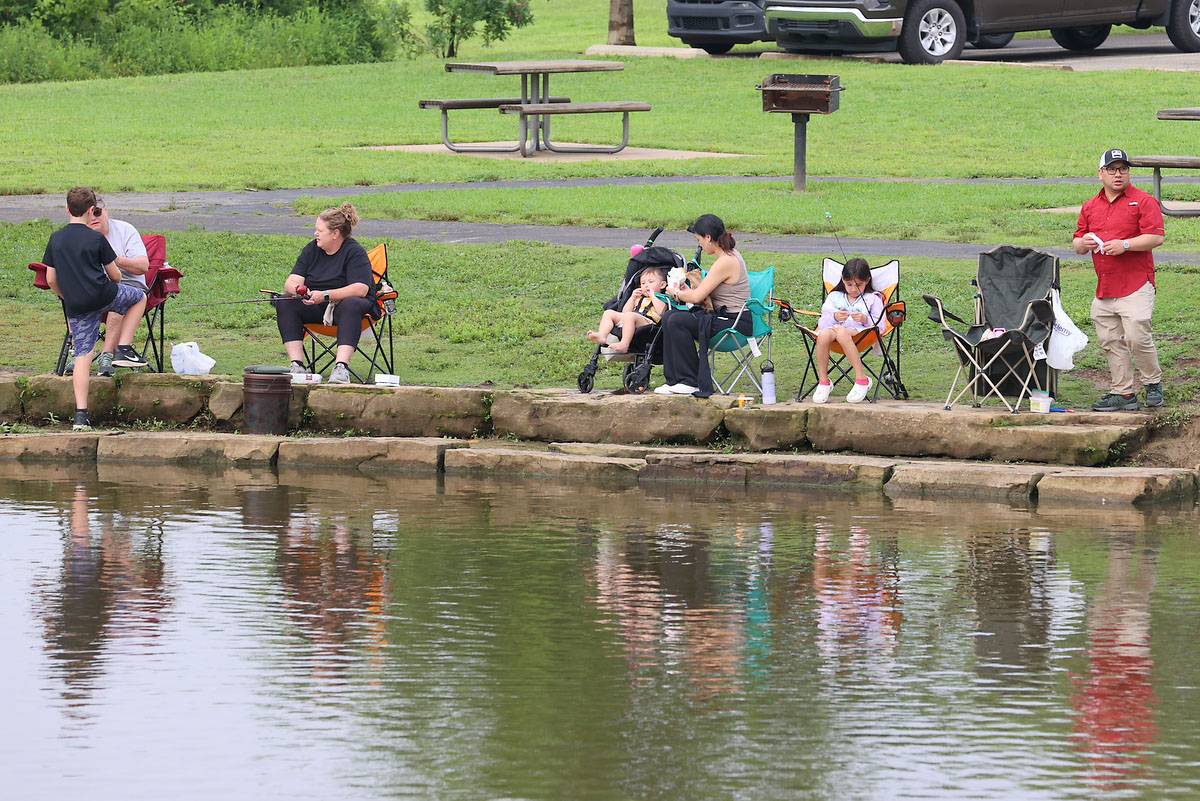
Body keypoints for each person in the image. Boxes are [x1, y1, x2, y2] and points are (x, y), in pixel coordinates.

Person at [42, 186, 148, 430]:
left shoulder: (55, 239)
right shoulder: (97, 238)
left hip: (75, 304)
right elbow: (115, 276)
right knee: (138, 297)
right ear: (91, 211)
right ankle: (123, 348)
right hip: (103, 295)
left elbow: (50, 279)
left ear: (67, 209)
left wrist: (66, 296)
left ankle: (81, 415)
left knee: (82, 356)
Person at [1072, 148, 1166, 411]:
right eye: (1112, 169)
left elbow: (1156, 237)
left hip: (1136, 283)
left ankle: (1153, 383)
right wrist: (1084, 242)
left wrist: (1125, 244)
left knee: (1137, 336)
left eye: (1123, 169)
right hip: (1105, 287)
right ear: (1100, 173)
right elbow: (1078, 244)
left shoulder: (1144, 201)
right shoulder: (1090, 206)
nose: (1118, 174)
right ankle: (1122, 393)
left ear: (1128, 173)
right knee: (1111, 341)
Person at [276, 203, 377, 384]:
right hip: (317, 306)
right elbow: (290, 282)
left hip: (347, 310)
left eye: (319, 230)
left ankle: (341, 368)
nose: (315, 234)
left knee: (351, 303)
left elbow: (361, 289)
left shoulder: (355, 252)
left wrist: (325, 294)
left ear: (335, 234)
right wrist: (301, 291)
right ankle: (297, 365)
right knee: (285, 301)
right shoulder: (312, 249)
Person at [654, 214, 752, 396]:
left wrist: (675, 292)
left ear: (708, 237)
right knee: (668, 317)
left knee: (676, 321)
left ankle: (690, 381)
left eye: (699, 239)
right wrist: (685, 290)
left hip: (735, 322)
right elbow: (702, 294)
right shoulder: (726, 256)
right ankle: (674, 379)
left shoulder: (726, 261)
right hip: (723, 317)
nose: (699, 244)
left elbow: (697, 296)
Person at [71, 195, 149, 376]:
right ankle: (76, 352)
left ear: (106, 210)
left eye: (98, 212)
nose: (94, 217)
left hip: (127, 284)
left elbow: (143, 267)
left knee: (117, 297)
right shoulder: (79, 236)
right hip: (93, 287)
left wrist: (113, 258)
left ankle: (107, 355)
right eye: (89, 214)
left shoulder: (124, 230)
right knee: (72, 294)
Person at [809, 257, 884, 404]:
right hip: (833, 331)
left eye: (859, 285)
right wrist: (835, 316)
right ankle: (824, 381)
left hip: (861, 334)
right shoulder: (835, 296)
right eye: (849, 284)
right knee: (823, 335)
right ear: (843, 280)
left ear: (867, 281)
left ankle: (862, 379)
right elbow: (822, 322)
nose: (854, 289)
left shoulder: (873, 298)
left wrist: (864, 319)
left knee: (842, 332)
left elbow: (880, 325)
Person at [586, 266, 668, 353]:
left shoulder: (663, 298)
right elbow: (625, 312)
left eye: (651, 282)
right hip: (631, 318)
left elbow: (661, 311)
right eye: (643, 283)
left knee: (630, 316)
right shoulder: (639, 298)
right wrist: (632, 298)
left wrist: (653, 295)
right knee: (608, 313)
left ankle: (624, 344)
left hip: (647, 322)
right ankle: (602, 334)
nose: (646, 285)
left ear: (662, 285)